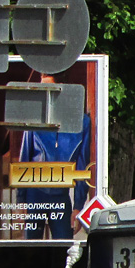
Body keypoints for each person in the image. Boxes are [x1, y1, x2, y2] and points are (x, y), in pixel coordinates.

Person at [16, 73, 91, 239]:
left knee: (64, 247)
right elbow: (25, 158)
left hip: (61, 195)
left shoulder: (81, 122)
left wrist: (78, 206)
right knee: (31, 247)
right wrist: (21, 201)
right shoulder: (34, 118)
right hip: (35, 194)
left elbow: (82, 163)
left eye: (48, 89)